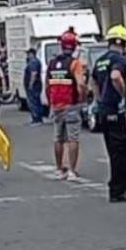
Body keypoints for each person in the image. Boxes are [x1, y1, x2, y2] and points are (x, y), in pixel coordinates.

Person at [92, 25, 126, 203]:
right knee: (123, 152)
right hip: (117, 112)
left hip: (105, 111)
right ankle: (118, 189)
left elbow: (93, 82)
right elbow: (115, 76)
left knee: (114, 151)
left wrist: (99, 100)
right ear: (122, 42)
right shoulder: (119, 59)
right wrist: (125, 95)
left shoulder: (100, 60)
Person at [46, 31, 88, 180]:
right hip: (71, 104)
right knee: (72, 138)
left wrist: (50, 102)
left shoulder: (52, 63)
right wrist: (82, 98)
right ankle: (72, 170)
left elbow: (47, 86)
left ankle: (59, 169)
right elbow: (81, 84)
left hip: (56, 104)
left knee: (58, 137)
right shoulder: (74, 63)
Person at [24, 48, 45, 125]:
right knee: (36, 101)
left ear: (32, 54)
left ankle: (37, 119)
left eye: (28, 54)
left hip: (34, 85)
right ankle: (37, 118)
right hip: (36, 85)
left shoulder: (33, 62)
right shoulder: (35, 61)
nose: (27, 55)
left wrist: (30, 84)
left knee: (34, 102)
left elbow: (34, 73)